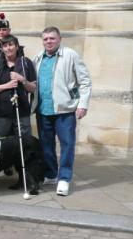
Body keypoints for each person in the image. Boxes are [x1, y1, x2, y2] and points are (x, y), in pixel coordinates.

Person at [33, 26, 92, 196]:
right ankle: (51, 174)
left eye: (52, 38)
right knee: (46, 145)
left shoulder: (70, 55)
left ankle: (64, 178)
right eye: (45, 39)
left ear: (59, 39)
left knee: (67, 145)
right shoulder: (38, 58)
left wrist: (83, 104)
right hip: (43, 110)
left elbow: (85, 81)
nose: (49, 42)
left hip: (64, 110)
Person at [0, 35, 37, 137]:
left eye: (11, 45)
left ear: (17, 46)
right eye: (5, 46)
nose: (8, 48)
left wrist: (22, 79)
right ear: (1, 48)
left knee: (22, 145)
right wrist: (7, 85)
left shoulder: (26, 63)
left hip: (21, 114)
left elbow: (33, 89)